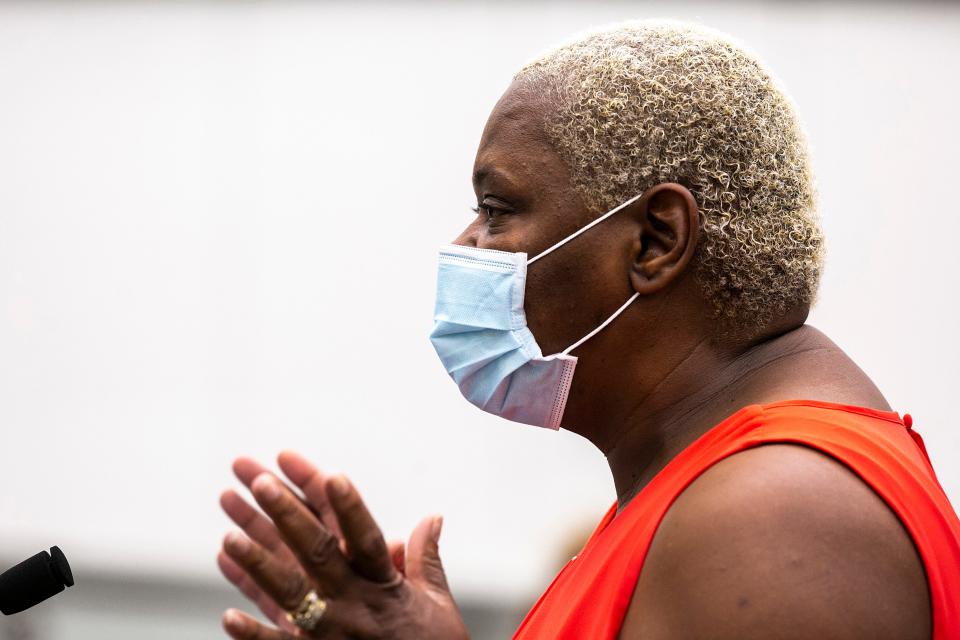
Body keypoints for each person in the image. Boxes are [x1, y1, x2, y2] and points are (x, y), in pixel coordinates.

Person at [215, 20, 960, 639]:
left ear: (655, 242)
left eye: (498, 207)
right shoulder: (712, 490)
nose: (467, 244)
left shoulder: (777, 514)